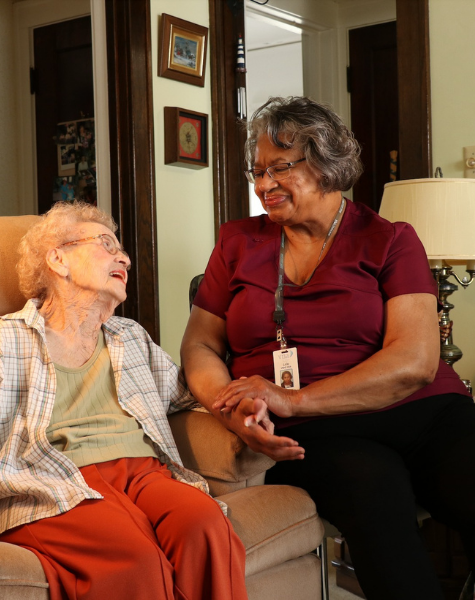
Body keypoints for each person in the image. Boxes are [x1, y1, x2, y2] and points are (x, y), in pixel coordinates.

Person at [181, 96, 475, 600]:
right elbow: (199, 346)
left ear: (325, 164)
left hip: (420, 413)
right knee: (375, 496)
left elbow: (416, 361)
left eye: (279, 168)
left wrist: (291, 398)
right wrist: (230, 408)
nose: (263, 185)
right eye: (257, 171)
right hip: (315, 434)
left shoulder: (389, 240)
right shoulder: (236, 243)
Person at [0, 201, 247, 600]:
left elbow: (188, 397)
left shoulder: (130, 337)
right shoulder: (8, 340)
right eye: (106, 244)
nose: (125, 259)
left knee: (205, 525)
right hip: (55, 479)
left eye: (121, 249)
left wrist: (239, 404)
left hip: (146, 472)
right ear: (59, 259)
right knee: (133, 558)